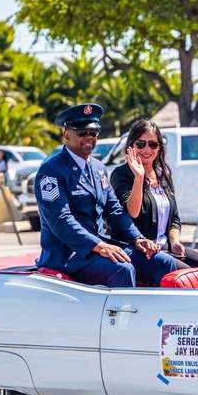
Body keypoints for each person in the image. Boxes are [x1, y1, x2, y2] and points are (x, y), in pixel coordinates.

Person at [35, 103, 175, 288]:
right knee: (122, 268)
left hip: (99, 249)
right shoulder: (51, 171)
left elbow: (115, 211)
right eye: (82, 132)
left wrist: (138, 239)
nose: (89, 137)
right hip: (69, 255)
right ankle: (126, 317)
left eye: (93, 133)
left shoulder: (98, 168)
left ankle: (152, 316)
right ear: (67, 134)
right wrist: (99, 246)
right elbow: (61, 221)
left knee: (164, 263)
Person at [112, 119, 198, 270]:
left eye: (153, 144)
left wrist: (174, 242)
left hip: (164, 246)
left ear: (159, 147)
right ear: (131, 147)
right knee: (186, 274)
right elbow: (132, 212)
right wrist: (139, 178)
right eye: (141, 144)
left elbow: (174, 218)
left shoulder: (163, 175)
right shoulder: (121, 174)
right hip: (138, 248)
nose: (147, 149)